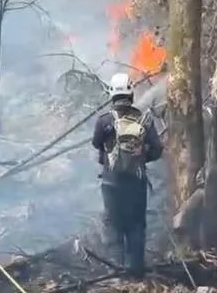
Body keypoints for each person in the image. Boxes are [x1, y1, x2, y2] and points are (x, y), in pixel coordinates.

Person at [91, 72, 163, 278]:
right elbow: (157, 150)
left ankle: (116, 271)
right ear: (131, 93)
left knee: (114, 224)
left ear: (112, 94)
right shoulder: (144, 119)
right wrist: (141, 158)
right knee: (136, 225)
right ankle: (136, 271)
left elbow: (96, 143)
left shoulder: (104, 121)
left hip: (111, 184)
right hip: (136, 184)